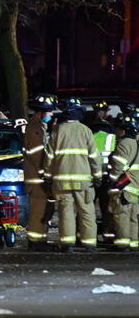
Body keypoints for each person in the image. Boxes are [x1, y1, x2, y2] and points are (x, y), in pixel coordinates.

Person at [43, 97, 101, 253]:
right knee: (87, 212)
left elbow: (49, 157)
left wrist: (48, 177)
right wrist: (98, 176)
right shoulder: (86, 131)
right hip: (83, 182)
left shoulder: (57, 131)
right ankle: (89, 244)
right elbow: (94, 157)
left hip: (62, 182)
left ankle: (67, 244)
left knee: (65, 213)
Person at [24, 93, 57, 251]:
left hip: (37, 177)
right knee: (39, 210)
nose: (51, 115)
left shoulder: (38, 127)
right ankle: (35, 242)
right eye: (49, 112)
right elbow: (39, 156)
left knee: (43, 210)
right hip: (38, 178)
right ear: (40, 112)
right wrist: (46, 174)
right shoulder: (36, 130)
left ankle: (40, 240)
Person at [107, 115, 139, 251]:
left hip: (125, 187)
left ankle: (122, 244)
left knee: (122, 216)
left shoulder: (124, 144)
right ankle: (133, 244)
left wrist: (112, 180)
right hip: (136, 187)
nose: (117, 132)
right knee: (133, 218)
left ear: (124, 130)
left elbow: (117, 166)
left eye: (118, 129)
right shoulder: (137, 144)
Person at [88, 102, 117, 243]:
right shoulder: (112, 137)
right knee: (107, 209)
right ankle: (108, 236)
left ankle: (86, 236)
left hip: (91, 177)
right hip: (107, 177)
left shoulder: (88, 135)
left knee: (88, 209)